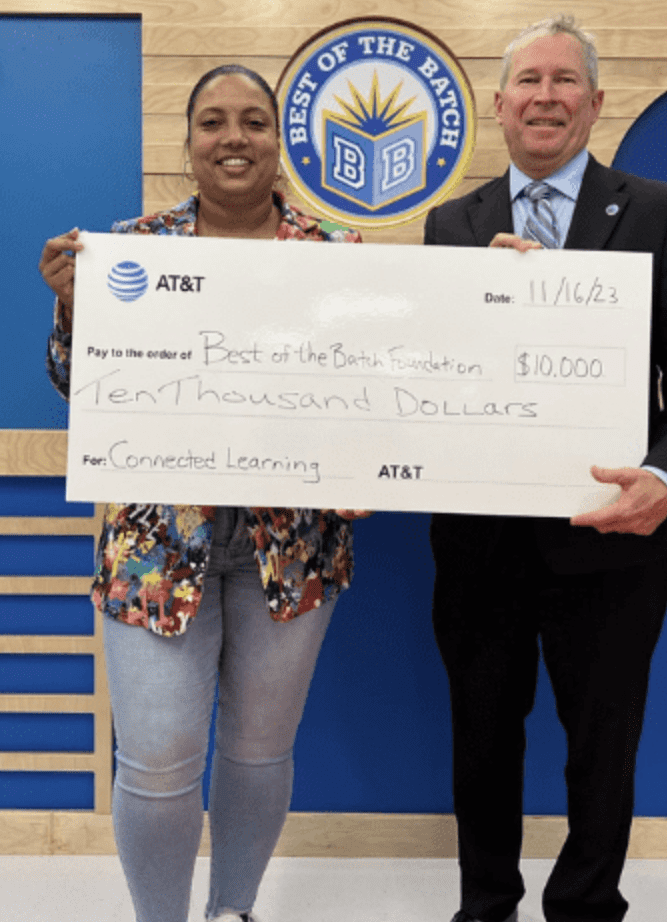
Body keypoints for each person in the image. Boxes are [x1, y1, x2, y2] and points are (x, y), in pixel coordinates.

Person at [424, 16, 667, 922]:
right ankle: (485, 905)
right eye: (528, 81)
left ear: (596, 104)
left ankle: (589, 905)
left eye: (566, 81)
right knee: (480, 741)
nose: (546, 97)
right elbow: (425, 374)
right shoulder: (454, 225)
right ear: (499, 103)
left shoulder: (659, 209)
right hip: (479, 548)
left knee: (603, 744)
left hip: (613, 538)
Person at [40, 64, 368, 922]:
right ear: (187, 145)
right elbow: (82, 390)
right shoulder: (129, 249)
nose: (233, 137)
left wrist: (368, 462)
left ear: (279, 141)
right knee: (156, 756)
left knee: (261, 751)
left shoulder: (338, 258)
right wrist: (74, 316)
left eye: (253, 121)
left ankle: (234, 912)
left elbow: (371, 394)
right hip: (155, 549)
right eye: (213, 122)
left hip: (291, 550)